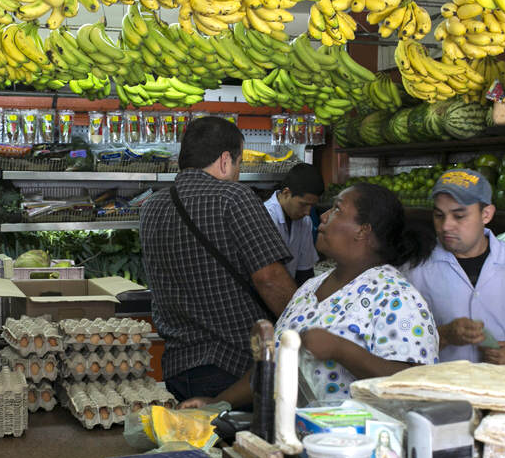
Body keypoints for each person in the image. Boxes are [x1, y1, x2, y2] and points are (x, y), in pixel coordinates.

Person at [180, 182, 439, 408]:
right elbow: (273, 366)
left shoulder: (396, 297)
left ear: (363, 231)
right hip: (290, 441)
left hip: (352, 452)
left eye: (337, 209)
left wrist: (342, 350)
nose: (323, 216)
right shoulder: (309, 289)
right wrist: (219, 402)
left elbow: (414, 383)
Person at [139, 116, 297, 404]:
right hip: (234, 370)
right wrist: (303, 328)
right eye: (239, 163)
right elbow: (269, 278)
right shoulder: (233, 197)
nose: (238, 171)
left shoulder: (151, 207)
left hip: (176, 367)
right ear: (225, 161)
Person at [405, 168, 505, 365]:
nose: (446, 226)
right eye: (439, 215)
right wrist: (444, 335)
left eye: (459, 216)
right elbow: (395, 344)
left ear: (486, 214)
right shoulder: (414, 269)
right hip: (441, 392)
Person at [263, 163, 324, 285]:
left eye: (311, 206)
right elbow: (266, 277)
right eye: (303, 204)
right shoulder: (265, 217)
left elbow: (305, 270)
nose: (307, 212)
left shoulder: (305, 221)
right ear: (286, 193)